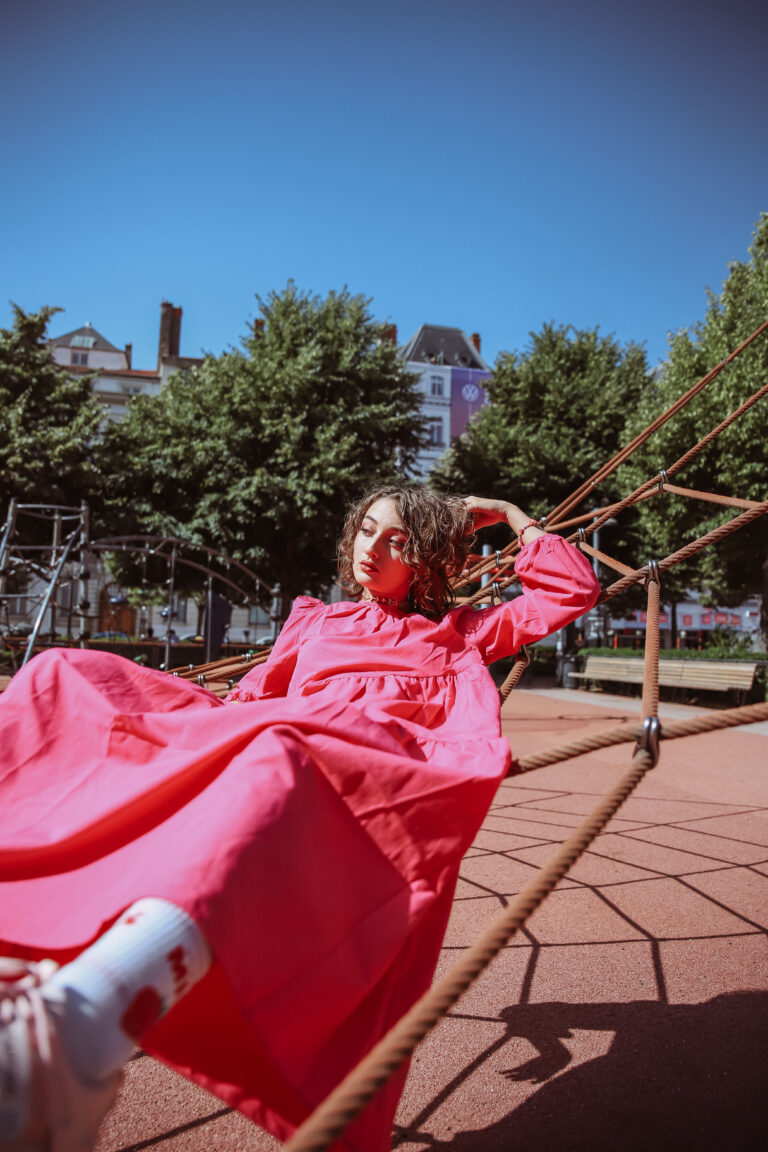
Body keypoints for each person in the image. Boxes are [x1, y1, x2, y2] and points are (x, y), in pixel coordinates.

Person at [0, 486, 600, 1152]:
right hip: (280, 746)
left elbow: (569, 594)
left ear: (427, 559)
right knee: (63, 676)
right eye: (367, 530)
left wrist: (515, 518)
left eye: (396, 540)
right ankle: (71, 1020)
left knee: (280, 755)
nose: (372, 547)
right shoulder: (315, 620)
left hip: (364, 781)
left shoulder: (458, 635)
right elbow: (253, 700)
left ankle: (74, 1028)